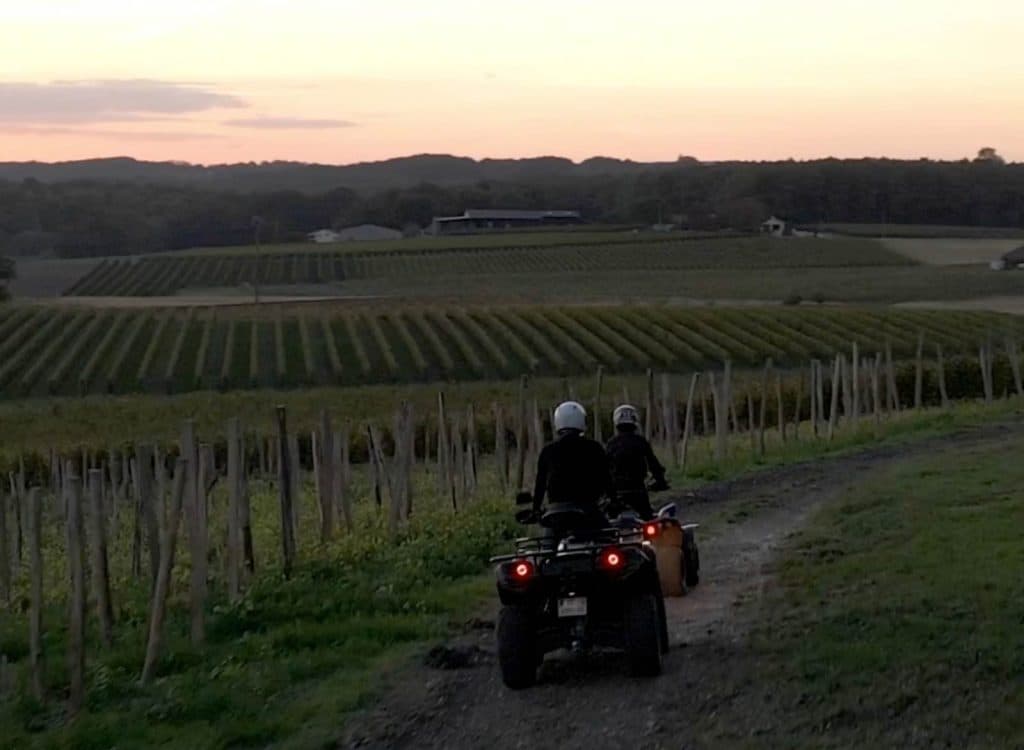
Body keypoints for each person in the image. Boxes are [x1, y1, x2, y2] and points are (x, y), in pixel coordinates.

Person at [532, 401, 614, 528]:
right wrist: (614, 500)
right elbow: (606, 479)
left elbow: (540, 484)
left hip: (556, 515)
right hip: (588, 512)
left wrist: (535, 509)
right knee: (609, 539)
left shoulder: (548, 450)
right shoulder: (594, 447)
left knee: (547, 545)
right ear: (582, 421)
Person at [605, 404, 668, 519]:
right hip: (638, 491)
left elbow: (604, 470)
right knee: (648, 521)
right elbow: (653, 464)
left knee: (610, 526)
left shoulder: (611, 444)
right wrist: (660, 481)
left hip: (616, 495)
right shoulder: (641, 442)